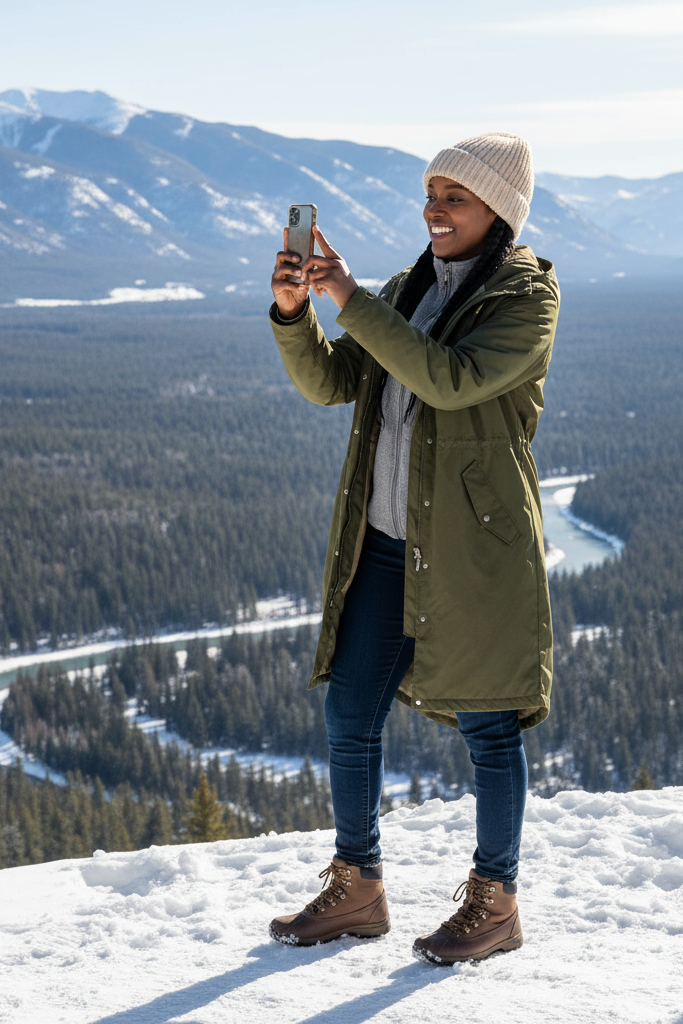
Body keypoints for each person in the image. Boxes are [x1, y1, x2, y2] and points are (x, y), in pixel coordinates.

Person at [267, 133, 560, 965]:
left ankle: (495, 901)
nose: (433, 208)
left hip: (473, 552)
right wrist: (296, 315)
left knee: (488, 726)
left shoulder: (526, 301)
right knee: (348, 713)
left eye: (453, 195)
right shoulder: (408, 287)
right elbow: (333, 383)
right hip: (388, 543)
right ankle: (358, 887)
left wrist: (355, 299)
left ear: (497, 210)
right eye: (429, 192)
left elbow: (448, 378)